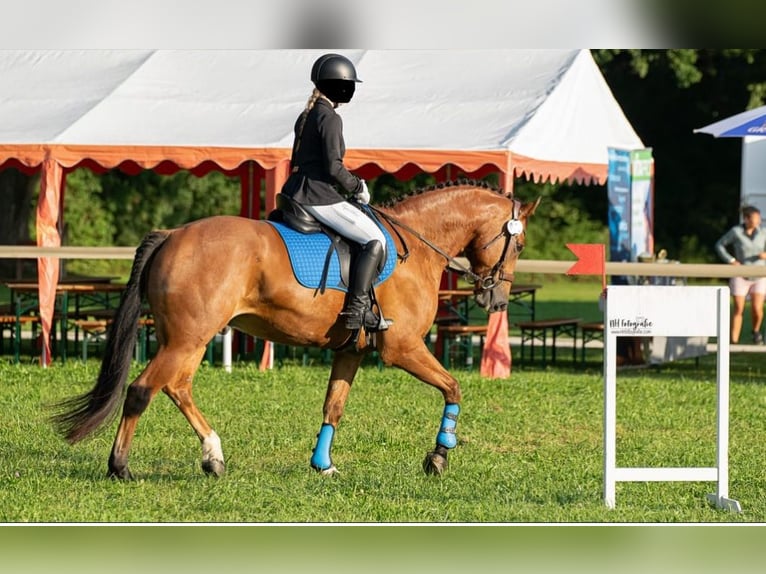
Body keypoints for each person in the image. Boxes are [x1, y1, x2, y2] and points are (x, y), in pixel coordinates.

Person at [280, 53, 387, 331]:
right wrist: (357, 186)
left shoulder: (307, 115)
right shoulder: (330, 118)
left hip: (296, 189)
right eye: (349, 83)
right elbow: (332, 167)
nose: (351, 88)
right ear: (339, 85)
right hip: (318, 195)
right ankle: (357, 309)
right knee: (374, 239)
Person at [714, 204, 766, 344]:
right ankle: (734, 341)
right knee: (738, 308)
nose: (758, 220)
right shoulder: (736, 232)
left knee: (757, 307)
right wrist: (731, 260)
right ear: (747, 219)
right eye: (755, 218)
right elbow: (720, 245)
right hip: (741, 273)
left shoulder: (763, 232)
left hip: (759, 273)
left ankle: (756, 331)